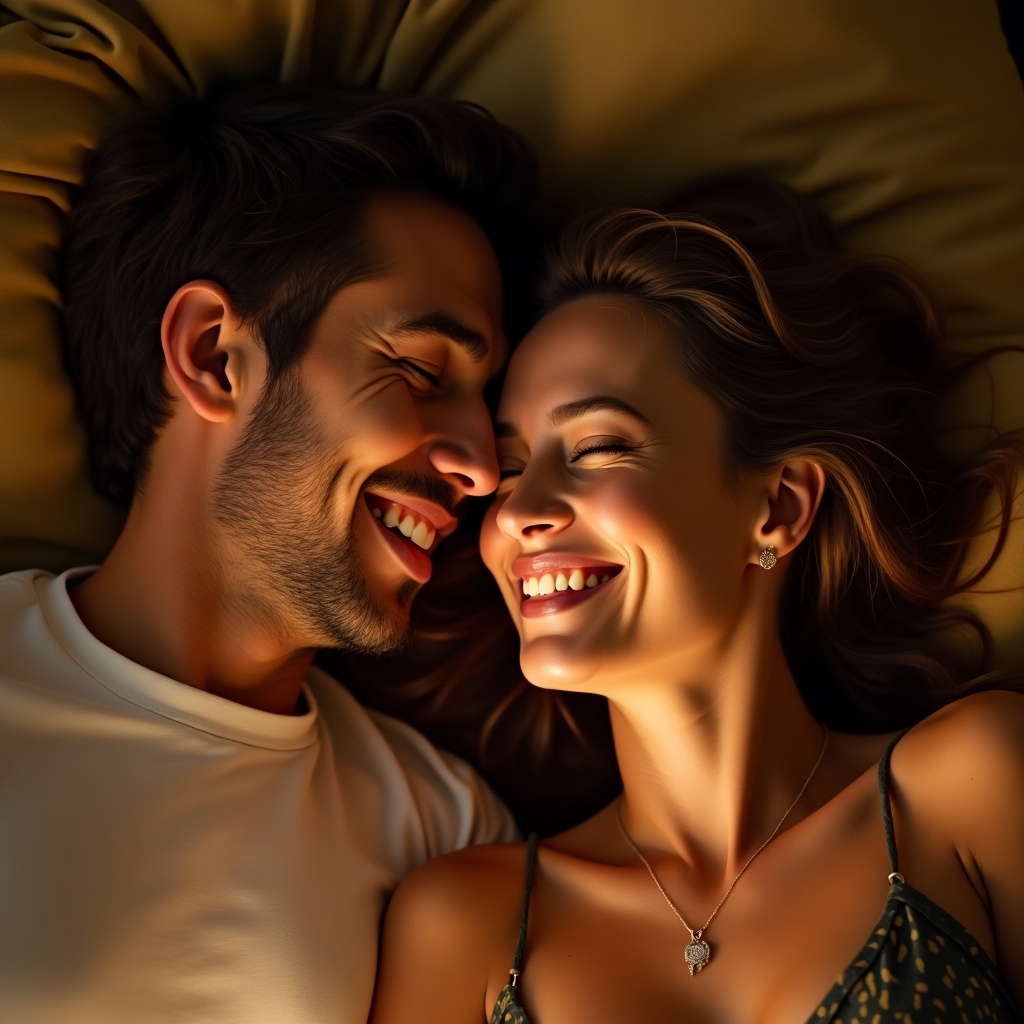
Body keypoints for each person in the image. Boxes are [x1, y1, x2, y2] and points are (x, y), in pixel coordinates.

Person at [369, 176, 1024, 1023]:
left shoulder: (970, 789)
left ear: (779, 506)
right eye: (514, 465)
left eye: (599, 447)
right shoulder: (467, 926)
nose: (521, 511)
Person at [0, 82, 537, 1024]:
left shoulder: (445, 834)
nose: (484, 468)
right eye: (418, 369)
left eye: (487, 410)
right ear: (215, 355)